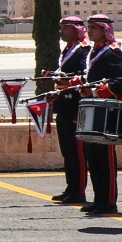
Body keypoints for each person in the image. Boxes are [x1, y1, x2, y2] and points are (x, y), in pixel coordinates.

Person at [77, 15, 122, 214]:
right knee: (94, 157)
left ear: (104, 29)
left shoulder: (113, 52)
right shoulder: (95, 51)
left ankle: (109, 201)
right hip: (94, 109)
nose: (89, 31)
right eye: (88, 27)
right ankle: (98, 198)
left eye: (94, 27)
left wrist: (94, 92)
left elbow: (121, 81)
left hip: (107, 111)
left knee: (105, 159)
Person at [48, 16, 89, 205]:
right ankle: (70, 187)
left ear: (76, 30)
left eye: (65, 28)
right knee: (67, 152)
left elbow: (85, 75)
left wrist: (66, 78)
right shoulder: (68, 49)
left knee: (76, 152)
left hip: (75, 106)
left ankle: (78, 191)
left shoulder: (83, 50)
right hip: (64, 105)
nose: (61, 32)